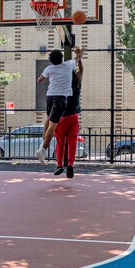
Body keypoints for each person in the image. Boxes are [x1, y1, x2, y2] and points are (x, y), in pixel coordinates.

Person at [35, 49, 78, 164]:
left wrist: (46, 77)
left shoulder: (49, 68)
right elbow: (78, 58)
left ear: (51, 61)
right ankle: (43, 150)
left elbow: (39, 80)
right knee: (53, 126)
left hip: (49, 96)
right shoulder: (69, 65)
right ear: (62, 58)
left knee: (48, 119)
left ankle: (43, 143)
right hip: (60, 98)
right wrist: (78, 52)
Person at [54, 46, 84, 178]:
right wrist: (79, 58)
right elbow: (81, 71)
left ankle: (60, 164)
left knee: (60, 141)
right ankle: (71, 164)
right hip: (74, 116)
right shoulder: (77, 82)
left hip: (62, 116)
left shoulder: (62, 82)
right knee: (72, 141)